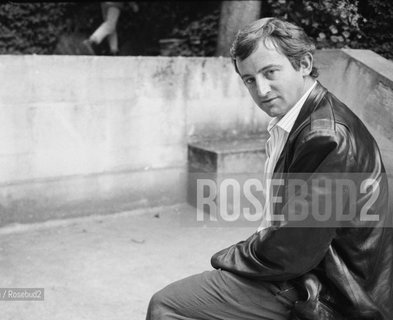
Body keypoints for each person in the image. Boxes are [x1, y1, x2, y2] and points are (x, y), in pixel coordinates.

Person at [146, 18, 392, 320]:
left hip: (329, 290)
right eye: (249, 80)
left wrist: (229, 257)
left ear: (303, 64)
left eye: (270, 72)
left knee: (167, 305)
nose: (261, 89)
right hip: (315, 271)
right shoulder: (300, 119)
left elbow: (292, 250)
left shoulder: (326, 135)